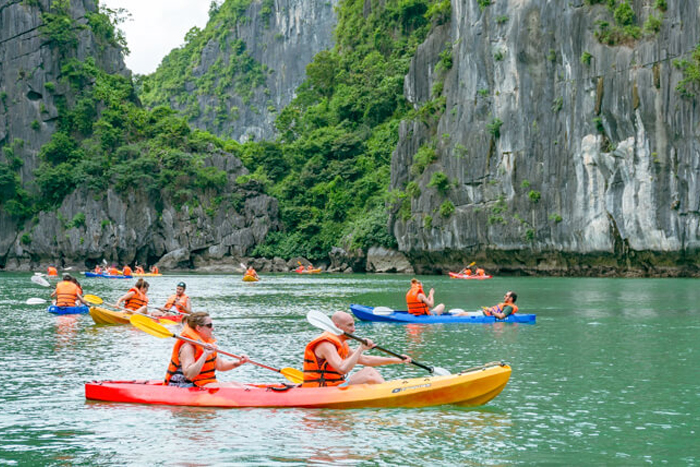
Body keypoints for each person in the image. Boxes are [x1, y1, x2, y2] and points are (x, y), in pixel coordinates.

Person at [302, 311, 411, 387]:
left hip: (335, 384)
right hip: (322, 388)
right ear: (337, 326)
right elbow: (342, 369)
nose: (353, 330)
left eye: (353, 325)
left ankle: (386, 390)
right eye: (349, 325)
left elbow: (365, 360)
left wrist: (397, 360)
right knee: (368, 373)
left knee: (370, 371)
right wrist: (360, 348)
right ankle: (389, 392)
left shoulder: (341, 343)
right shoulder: (326, 344)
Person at [165, 312, 250, 388]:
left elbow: (220, 365)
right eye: (209, 325)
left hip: (202, 383)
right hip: (184, 385)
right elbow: (189, 375)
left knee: (235, 384)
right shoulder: (188, 347)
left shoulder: (205, 344)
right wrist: (204, 355)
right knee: (231, 386)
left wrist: (239, 362)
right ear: (198, 328)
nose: (212, 328)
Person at [453, 291, 518, 318]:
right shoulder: (506, 305)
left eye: (506, 296)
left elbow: (501, 316)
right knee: (462, 313)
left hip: (484, 315)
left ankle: (448, 319)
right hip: (484, 313)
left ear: (511, 298)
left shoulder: (509, 307)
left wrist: (491, 311)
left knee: (462, 314)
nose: (504, 297)